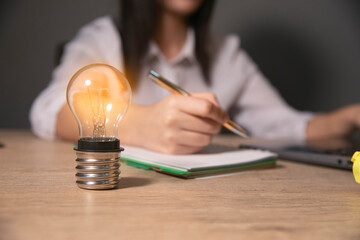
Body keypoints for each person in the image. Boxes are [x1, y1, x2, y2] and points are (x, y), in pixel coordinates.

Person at [30, 0, 360, 154]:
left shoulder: (227, 54)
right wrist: (137, 124)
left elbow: (283, 123)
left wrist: (348, 117)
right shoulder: (102, 39)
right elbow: (48, 109)